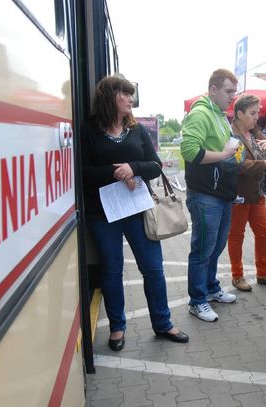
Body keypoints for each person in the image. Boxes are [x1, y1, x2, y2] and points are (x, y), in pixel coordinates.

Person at [83, 75, 188, 351]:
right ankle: (117, 327)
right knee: (112, 271)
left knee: (153, 269)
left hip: (138, 210)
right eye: (126, 94)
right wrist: (117, 172)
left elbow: (155, 166)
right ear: (110, 97)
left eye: (132, 95)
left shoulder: (137, 130)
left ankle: (163, 323)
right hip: (103, 213)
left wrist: (134, 168)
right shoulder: (89, 130)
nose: (131, 100)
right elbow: (82, 172)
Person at [180, 69, 239, 322]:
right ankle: (197, 300)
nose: (232, 98)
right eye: (228, 92)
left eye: (234, 92)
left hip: (221, 192)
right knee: (203, 249)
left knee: (215, 247)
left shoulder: (220, 114)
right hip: (205, 194)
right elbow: (189, 151)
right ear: (213, 90)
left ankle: (211, 288)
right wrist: (226, 154)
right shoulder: (201, 113)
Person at [227, 94, 266, 292]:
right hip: (238, 194)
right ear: (239, 113)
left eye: (257, 112)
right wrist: (265, 164)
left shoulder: (255, 131)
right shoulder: (231, 135)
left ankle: (262, 272)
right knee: (236, 236)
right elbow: (239, 165)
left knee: (264, 230)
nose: (257, 116)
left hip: (257, 193)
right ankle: (237, 275)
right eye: (252, 113)